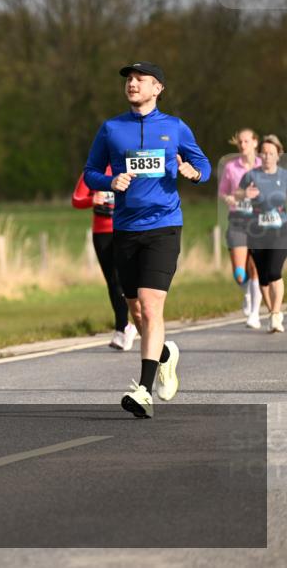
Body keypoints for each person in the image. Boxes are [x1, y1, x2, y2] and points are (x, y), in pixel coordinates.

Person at [83, 61, 211, 419]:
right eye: (129, 79)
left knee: (152, 307)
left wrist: (194, 171)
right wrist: (111, 182)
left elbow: (204, 164)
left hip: (164, 226)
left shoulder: (175, 127)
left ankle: (143, 390)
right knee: (136, 310)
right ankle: (165, 354)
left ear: (158, 89)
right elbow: (90, 173)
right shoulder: (111, 129)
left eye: (141, 79)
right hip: (125, 228)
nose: (132, 84)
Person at [71, 167, 137, 350]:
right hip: (102, 233)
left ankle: (125, 327)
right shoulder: (92, 172)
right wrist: (92, 199)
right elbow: (76, 199)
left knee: (124, 280)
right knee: (112, 281)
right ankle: (123, 327)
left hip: (126, 230)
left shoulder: (127, 166)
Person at [237, 135, 286, 333]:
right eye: (263, 153)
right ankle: (271, 313)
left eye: (270, 153)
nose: (266, 157)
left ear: (278, 155)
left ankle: (275, 314)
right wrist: (244, 195)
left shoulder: (284, 176)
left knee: (274, 271)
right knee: (263, 277)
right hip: (256, 231)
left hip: (281, 230)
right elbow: (236, 195)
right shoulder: (251, 176)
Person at [218, 129, 262, 328]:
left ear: (255, 142)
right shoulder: (231, 167)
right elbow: (223, 193)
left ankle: (254, 314)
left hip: (259, 221)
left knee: (256, 269)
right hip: (237, 219)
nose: (243, 145)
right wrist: (231, 197)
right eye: (240, 142)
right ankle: (246, 294)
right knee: (239, 273)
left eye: (247, 141)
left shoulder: (264, 165)